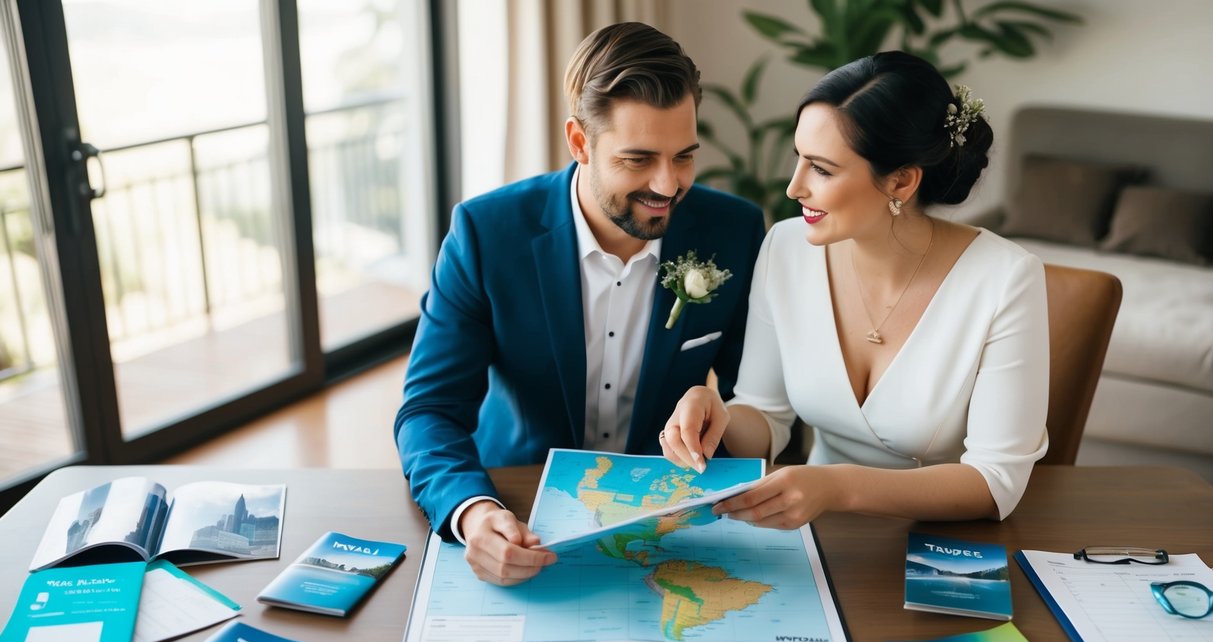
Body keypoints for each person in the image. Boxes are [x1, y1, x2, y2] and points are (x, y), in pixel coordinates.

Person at [396, 22, 766, 585]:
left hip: (667, 520)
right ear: (579, 142)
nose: (668, 186)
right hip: (518, 503)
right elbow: (429, 410)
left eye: (684, 156)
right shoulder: (485, 233)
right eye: (639, 160)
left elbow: (760, 403)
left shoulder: (734, 231)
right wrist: (473, 512)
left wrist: (725, 419)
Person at [659, 51, 1048, 528]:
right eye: (798, 158)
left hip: (939, 541)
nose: (793, 187)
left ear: (901, 181)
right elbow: (766, 416)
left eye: (821, 169)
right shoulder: (786, 246)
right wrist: (714, 411)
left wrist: (837, 487)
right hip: (816, 529)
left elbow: (994, 482)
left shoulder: (1006, 279)